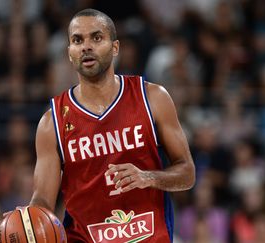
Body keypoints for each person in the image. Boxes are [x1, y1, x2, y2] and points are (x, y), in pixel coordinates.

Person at [27, 8, 195, 242]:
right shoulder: (51, 123)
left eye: (96, 38)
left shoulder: (153, 98)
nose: (86, 46)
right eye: (77, 40)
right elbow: (43, 199)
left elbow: (187, 173)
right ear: (69, 53)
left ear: (115, 48)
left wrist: (148, 177)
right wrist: (28, 221)